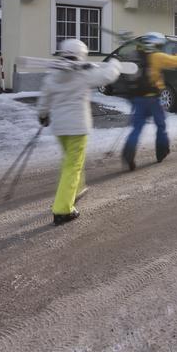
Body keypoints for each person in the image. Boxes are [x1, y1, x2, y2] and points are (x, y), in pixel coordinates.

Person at [38, 38, 121, 226]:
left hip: (59, 127)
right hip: (77, 127)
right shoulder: (83, 73)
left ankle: (76, 190)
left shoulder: (53, 73)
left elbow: (45, 96)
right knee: (72, 166)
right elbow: (108, 76)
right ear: (82, 54)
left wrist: (43, 114)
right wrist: (115, 61)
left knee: (71, 161)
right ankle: (63, 209)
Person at [121, 32, 177, 171]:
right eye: (159, 45)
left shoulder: (135, 56)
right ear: (155, 44)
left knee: (137, 127)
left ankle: (129, 153)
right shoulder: (157, 57)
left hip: (137, 99)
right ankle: (161, 151)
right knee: (160, 125)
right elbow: (175, 62)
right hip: (153, 100)